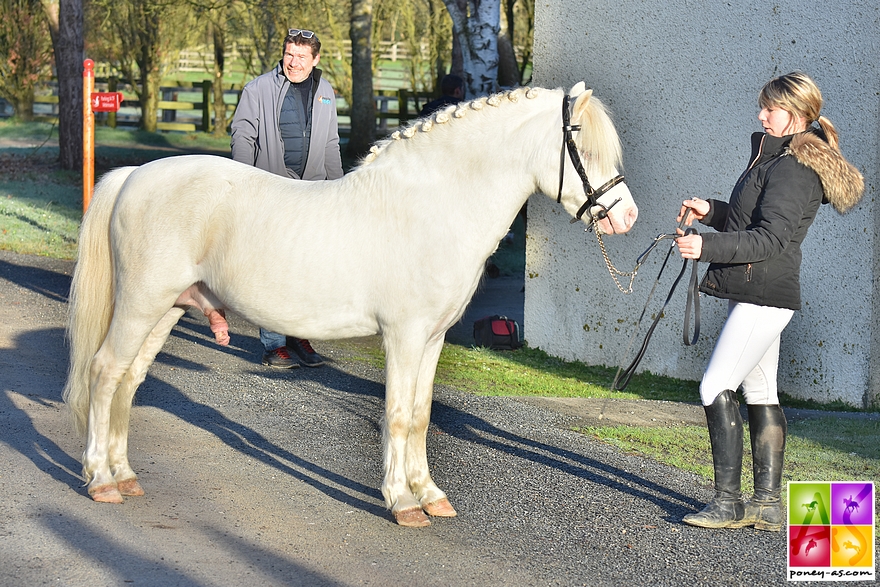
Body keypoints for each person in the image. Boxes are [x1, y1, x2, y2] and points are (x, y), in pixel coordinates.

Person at [675, 71, 863, 531]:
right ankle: (767, 504)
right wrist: (712, 211)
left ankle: (727, 503)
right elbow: (749, 218)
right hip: (761, 293)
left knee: (713, 385)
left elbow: (770, 239)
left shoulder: (794, 168)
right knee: (759, 393)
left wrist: (706, 248)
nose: (761, 114)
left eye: (770, 108)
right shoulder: (773, 158)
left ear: (796, 117)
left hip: (765, 295)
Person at [230, 28, 344, 369]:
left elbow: (331, 144)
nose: (293, 63)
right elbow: (243, 135)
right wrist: (242, 181)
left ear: (315, 59)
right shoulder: (258, 89)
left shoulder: (325, 92)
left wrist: (338, 189)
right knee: (272, 268)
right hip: (270, 188)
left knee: (307, 269)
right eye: (289, 55)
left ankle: (300, 336)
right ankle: (274, 344)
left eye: (301, 57)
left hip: (313, 191)